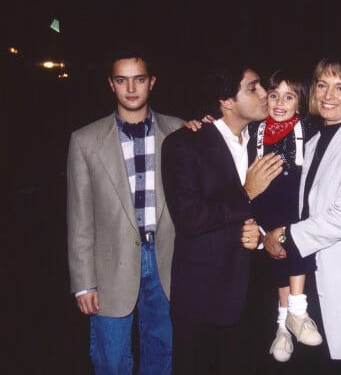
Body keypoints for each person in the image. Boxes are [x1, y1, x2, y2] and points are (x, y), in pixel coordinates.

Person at [263, 53, 341, 373]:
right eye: (322, 85)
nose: (328, 96)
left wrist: (284, 235)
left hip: (340, 278)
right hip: (302, 278)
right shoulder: (309, 140)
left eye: (340, 88)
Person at [161, 62, 284, 374]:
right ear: (227, 101)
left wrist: (261, 232)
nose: (264, 94)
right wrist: (245, 195)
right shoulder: (185, 143)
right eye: (253, 87)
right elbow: (189, 218)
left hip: (256, 293)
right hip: (204, 294)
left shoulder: (267, 140)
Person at [67, 48, 183, 374]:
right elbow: (79, 219)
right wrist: (84, 283)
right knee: (111, 358)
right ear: (111, 84)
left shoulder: (179, 131)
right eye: (122, 80)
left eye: (139, 79)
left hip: (168, 262)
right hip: (109, 267)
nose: (131, 89)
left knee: (162, 354)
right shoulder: (85, 140)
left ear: (152, 83)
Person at [247, 70, 323, 362]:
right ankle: (285, 324)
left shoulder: (309, 127)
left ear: (301, 103)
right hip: (264, 207)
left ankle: (294, 314)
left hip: (296, 208)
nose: (280, 103)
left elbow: (337, 129)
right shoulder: (256, 129)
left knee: (296, 246)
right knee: (278, 258)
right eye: (274, 95)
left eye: (289, 97)